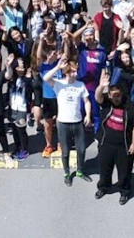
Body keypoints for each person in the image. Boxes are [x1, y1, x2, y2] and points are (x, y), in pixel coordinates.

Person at [93, 71, 134, 204]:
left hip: (123, 145)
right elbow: (97, 97)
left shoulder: (129, 106)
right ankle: (103, 187)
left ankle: (124, 191)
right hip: (106, 143)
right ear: (109, 95)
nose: (116, 98)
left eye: (118, 95)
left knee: (124, 171)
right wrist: (101, 86)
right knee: (104, 169)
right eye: (113, 95)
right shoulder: (106, 103)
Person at [45, 57, 93, 186]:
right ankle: (67, 173)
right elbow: (46, 78)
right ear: (66, 72)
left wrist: (88, 115)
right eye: (72, 71)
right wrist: (57, 67)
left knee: (81, 149)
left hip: (77, 122)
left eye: (76, 71)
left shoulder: (80, 85)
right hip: (63, 123)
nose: (75, 74)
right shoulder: (58, 84)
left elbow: (87, 101)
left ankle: (80, 171)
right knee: (65, 151)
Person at [34, 24, 61, 157]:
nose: (51, 56)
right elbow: (38, 57)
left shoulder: (60, 64)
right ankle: (49, 145)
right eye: (49, 54)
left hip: (60, 97)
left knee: (60, 122)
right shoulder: (43, 65)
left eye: (54, 54)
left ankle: (61, 143)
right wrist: (41, 40)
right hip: (48, 98)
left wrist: (65, 39)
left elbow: (66, 53)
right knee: (48, 124)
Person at [5, 55, 34, 161]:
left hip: (22, 108)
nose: (20, 70)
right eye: (18, 67)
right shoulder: (12, 79)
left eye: (22, 67)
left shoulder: (27, 80)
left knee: (21, 130)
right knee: (14, 130)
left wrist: (28, 78)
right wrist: (8, 65)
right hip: (13, 107)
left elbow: (31, 89)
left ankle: (24, 150)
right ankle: (17, 147)